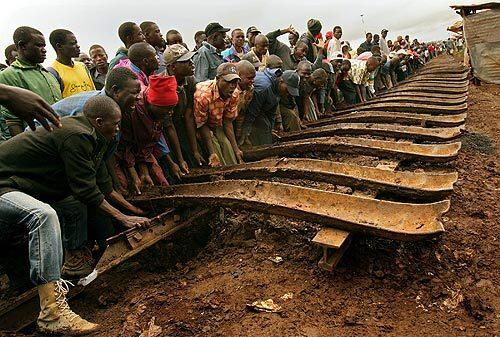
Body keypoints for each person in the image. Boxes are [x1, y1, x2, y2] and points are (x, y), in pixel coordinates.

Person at [0, 95, 150, 335]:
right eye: (116, 123)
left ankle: (72, 263)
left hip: (22, 185)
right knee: (42, 215)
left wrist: (132, 210)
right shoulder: (76, 136)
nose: (119, 128)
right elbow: (86, 190)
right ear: (99, 121)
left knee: (70, 204)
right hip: (4, 185)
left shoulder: (97, 136)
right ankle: (52, 313)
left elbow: (103, 185)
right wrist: (123, 219)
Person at [115, 75, 179, 194]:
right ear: (152, 104)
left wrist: (144, 171)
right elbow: (126, 145)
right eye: (167, 109)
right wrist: (134, 174)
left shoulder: (157, 115)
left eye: (172, 109)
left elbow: (150, 142)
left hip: (144, 153)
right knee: (124, 185)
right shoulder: (132, 110)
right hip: (119, 153)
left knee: (160, 180)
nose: (170, 113)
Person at [0, 26, 62, 140]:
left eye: (44, 46)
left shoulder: (49, 74)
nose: (44, 49)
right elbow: (12, 122)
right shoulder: (10, 75)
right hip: (37, 143)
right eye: (39, 45)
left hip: (59, 138)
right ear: (22, 46)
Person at [162, 44, 204, 168]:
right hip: (166, 132)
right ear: (173, 67)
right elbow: (168, 126)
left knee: (196, 157)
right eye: (186, 61)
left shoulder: (189, 80)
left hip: (182, 125)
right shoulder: (163, 88)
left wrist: (195, 150)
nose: (192, 63)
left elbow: (189, 116)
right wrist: (180, 160)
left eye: (190, 59)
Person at [193, 63, 243, 166]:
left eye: (235, 82)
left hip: (217, 123)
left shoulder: (235, 94)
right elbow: (202, 124)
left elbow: (227, 121)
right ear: (217, 79)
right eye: (228, 82)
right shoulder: (203, 96)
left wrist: (236, 149)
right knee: (216, 153)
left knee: (227, 146)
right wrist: (212, 153)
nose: (232, 86)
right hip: (200, 126)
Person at [239, 66, 283, 146]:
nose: (287, 93)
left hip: (255, 108)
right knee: (262, 127)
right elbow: (252, 113)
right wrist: (245, 133)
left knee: (267, 126)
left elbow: (272, 113)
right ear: (282, 82)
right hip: (245, 108)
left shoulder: (276, 86)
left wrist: (271, 130)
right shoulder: (264, 88)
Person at [47, 29, 96, 98]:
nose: (78, 46)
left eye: (77, 43)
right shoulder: (52, 72)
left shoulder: (82, 66)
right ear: (59, 46)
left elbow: (93, 91)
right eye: (73, 43)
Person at [233, 60, 256, 140]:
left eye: (253, 78)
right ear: (238, 75)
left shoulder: (250, 89)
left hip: (236, 118)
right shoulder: (230, 90)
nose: (252, 81)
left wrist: (239, 130)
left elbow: (243, 111)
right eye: (249, 78)